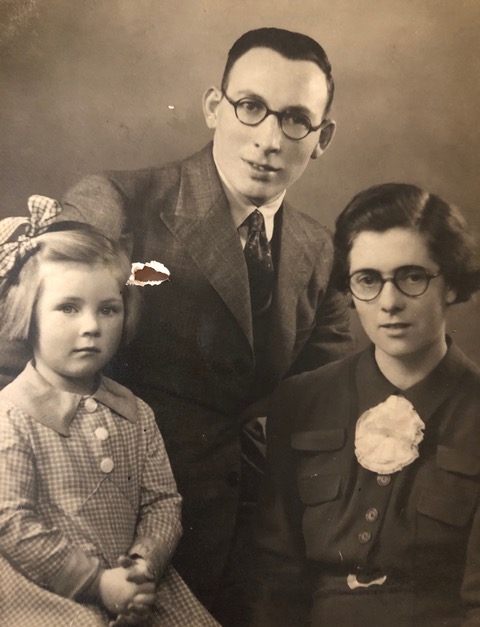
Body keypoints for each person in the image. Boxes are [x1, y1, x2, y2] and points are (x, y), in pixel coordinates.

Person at [0, 27, 353, 619]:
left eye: (295, 119)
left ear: (322, 138)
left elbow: (329, 396)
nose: (269, 139)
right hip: (106, 534)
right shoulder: (119, 201)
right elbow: (19, 345)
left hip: (261, 545)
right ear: (215, 107)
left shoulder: (321, 251)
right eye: (251, 107)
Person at [252, 183, 480, 626]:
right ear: (350, 288)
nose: (389, 303)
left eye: (412, 277)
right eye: (368, 280)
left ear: (450, 284)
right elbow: (274, 576)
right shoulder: (301, 400)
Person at [0, 196, 218, 626]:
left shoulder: (134, 413)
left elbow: (162, 502)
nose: (91, 327)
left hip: (135, 585)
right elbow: (11, 523)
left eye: (108, 309)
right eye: (68, 308)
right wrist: (98, 584)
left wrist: (142, 565)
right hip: (48, 591)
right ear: (29, 316)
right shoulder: (12, 415)